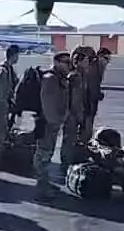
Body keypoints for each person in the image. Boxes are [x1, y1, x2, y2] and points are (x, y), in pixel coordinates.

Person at [34, 51, 72, 200]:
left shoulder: (60, 79)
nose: (68, 65)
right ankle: (41, 187)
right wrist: (56, 121)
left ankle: (44, 183)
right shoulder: (50, 79)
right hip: (47, 123)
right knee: (43, 154)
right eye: (65, 62)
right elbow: (48, 105)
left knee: (47, 154)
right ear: (56, 62)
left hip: (53, 124)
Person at [0, 45, 21, 168]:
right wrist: (5, 101)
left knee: (2, 131)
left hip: (3, 105)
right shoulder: (2, 70)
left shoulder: (9, 69)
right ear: (13, 55)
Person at [61, 48, 92, 169]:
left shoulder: (81, 76)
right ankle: (66, 164)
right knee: (69, 138)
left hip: (76, 112)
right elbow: (75, 99)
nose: (87, 63)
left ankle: (68, 161)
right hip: (72, 114)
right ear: (78, 62)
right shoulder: (75, 77)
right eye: (85, 61)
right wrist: (79, 116)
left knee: (72, 138)